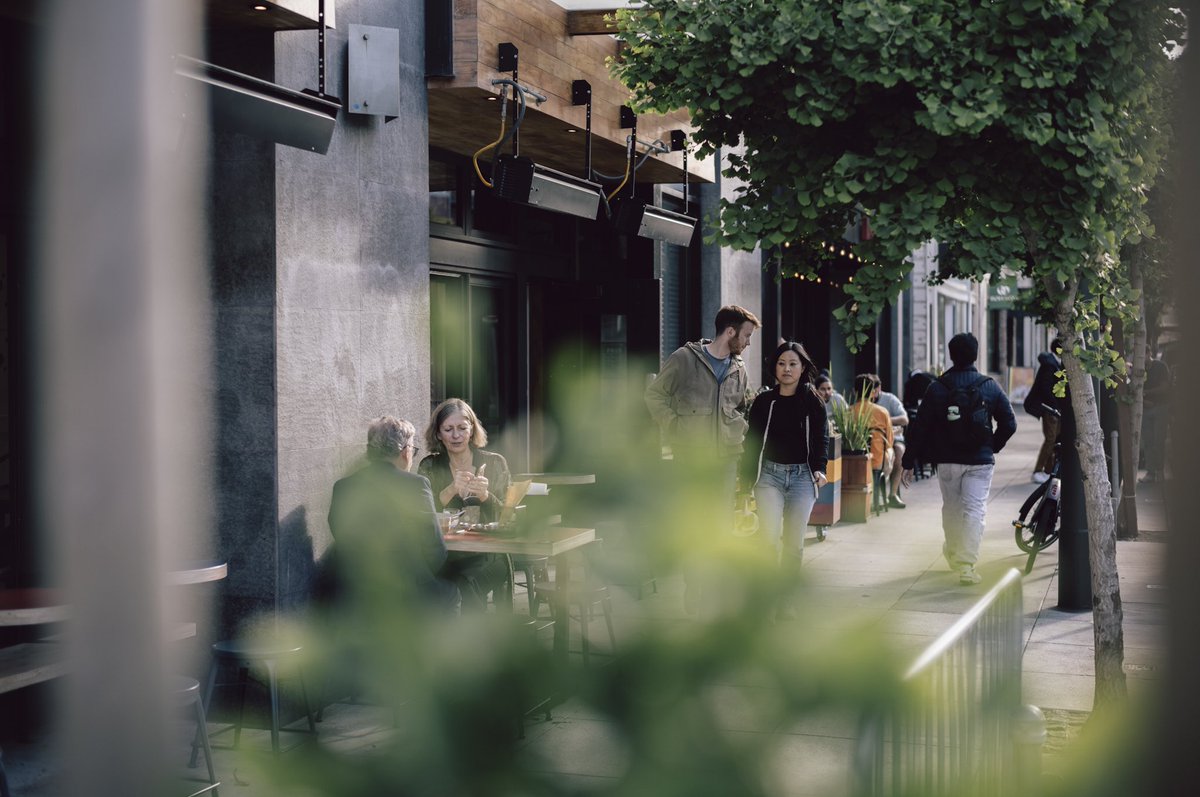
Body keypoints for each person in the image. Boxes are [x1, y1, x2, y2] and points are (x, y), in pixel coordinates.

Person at [645, 304, 761, 612]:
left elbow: (742, 407)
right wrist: (674, 426)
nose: (748, 343)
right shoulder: (685, 359)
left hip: (726, 459)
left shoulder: (739, 368)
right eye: (746, 336)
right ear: (730, 331)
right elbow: (654, 395)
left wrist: (742, 429)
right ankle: (693, 589)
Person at [901, 333, 1017, 586]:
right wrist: (992, 446)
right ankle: (967, 564)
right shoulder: (990, 386)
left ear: (951, 355)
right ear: (976, 354)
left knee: (952, 509)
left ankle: (953, 552)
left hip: (948, 460)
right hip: (980, 461)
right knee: (975, 510)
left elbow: (920, 427)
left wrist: (908, 462)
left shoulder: (937, 387)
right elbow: (1009, 422)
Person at [327, 416, 460, 613]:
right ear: (404, 450)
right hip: (408, 592)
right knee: (452, 592)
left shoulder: (343, 487)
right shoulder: (416, 484)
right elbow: (436, 551)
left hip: (355, 593)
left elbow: (343, 539)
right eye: (413, 450)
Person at [739, 342, 828, 619]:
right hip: (769, 477)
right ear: (774, 368)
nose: (787, 369)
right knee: (767, 539)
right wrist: (745, 482)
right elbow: (751, 441)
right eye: (781, 363)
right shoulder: (765, 401)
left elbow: (820, 439)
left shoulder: (813, 400)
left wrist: (819, 468)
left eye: (793, 364)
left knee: (793, 544)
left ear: (803, 368)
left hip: (802, 477)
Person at [418, 398, 512, 612]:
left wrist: (485, 496)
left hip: (490, 555)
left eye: (462, 428)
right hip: (445, 555)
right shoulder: (429, 465)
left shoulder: (496, 463)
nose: (456, 435)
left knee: (465, 586)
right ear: (438, 434)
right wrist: (450, 490)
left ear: (472, 430)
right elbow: (421, 515)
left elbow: (509, 515)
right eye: (448, 429)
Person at [1023, 338, 1065, 483]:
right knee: (1050, 439)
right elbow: (1046, 389)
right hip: (1050, 409)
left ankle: (1047, 471)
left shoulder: (1054, 364)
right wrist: (1055, 406)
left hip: (1053, 409)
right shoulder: (1049, 365)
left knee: (1054, 439)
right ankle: (1038, 470)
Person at [871, 375, 909, 508]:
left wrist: (886, 420)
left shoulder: (890, 399)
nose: (872, 395)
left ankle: (893, 494)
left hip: (893, 438)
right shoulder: (864, 402)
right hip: (873, 441)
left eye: (874, 391)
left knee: (899, 453)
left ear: (879, 388)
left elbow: (904, 419)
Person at [849, 373, 894, 482]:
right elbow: (889, 442)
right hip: (877, 462)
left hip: (853, 462)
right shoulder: (882, 412)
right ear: (873, 393)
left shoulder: (848, 412)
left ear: (854, 392)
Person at [1141, 346, 1171, 483]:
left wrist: (1146, 393)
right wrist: (1143, 400)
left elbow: (1165, 388)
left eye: (1143, 354)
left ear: (1149, 353)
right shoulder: (1140, 370)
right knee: (1148, 441)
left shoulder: (1160, 367)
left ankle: (1159, 471)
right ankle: (1151, 472)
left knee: (1159, 440)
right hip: (1146, 408)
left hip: (1160, 407)